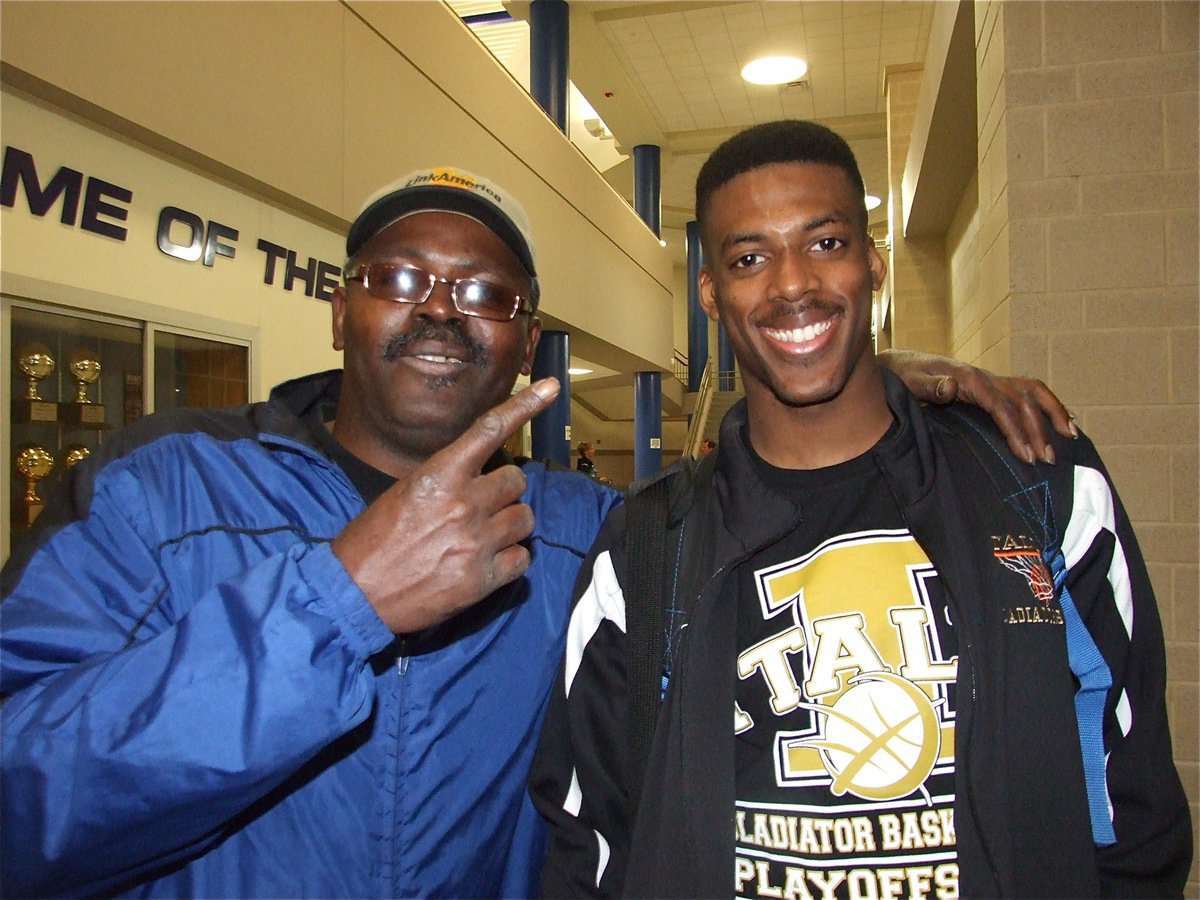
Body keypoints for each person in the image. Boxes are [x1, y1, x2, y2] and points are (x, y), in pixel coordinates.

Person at [2, 164, 1072, 899]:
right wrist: (336, 601)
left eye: (484, 292)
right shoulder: (163, 494)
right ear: (340, 307)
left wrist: (882, 393)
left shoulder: (588, 538)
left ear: (524, 339)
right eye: (400, 279)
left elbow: (776, 509)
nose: (439, 309)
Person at [530, 121, 1191, 899]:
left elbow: (1131, 790)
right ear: (711, 294)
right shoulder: (644, 547)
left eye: (826, 243)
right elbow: (590, 839)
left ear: (873, 263)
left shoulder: (1038, 480)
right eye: (749, 258)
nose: (792, 285)